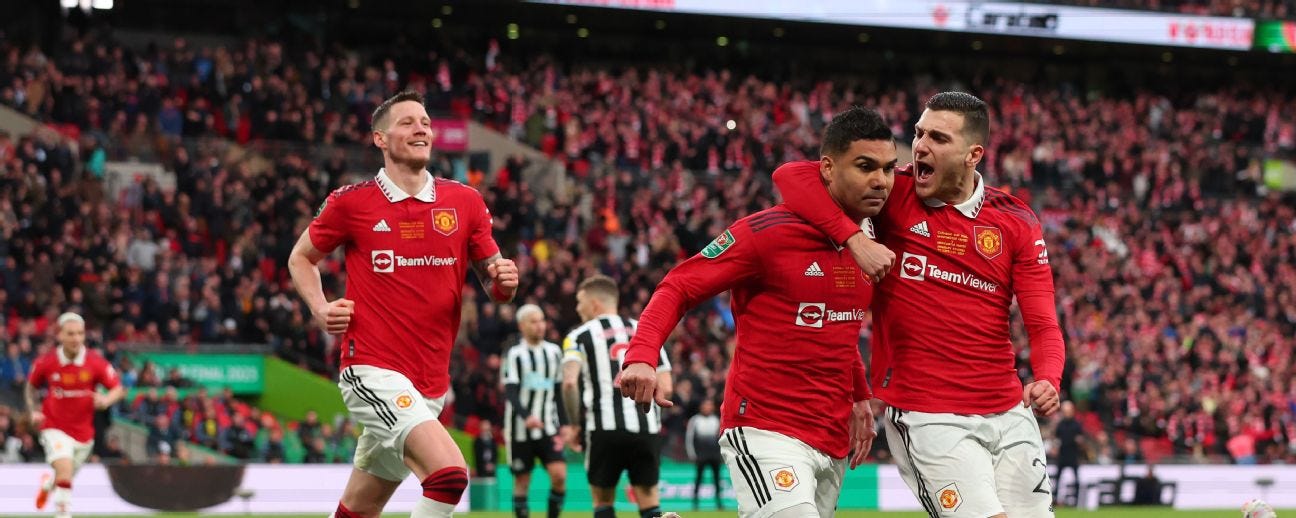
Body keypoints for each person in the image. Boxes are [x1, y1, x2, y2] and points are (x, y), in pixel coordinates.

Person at [771, 92, 1066, 517]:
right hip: (928, 413)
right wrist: (856, 240)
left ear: (973, 154)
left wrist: (1049, 377)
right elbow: (790, 176)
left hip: (1008, 410)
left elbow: (1043, 323)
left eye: (939, 138)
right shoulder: (895, 193)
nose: (920, 146)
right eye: (918, 133)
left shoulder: (1016, 220)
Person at [619, 106, 896, 518]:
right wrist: (641, 355)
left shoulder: (871, 241)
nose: (880, 181)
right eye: (865, 166)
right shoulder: (765, 234)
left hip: (831, 433)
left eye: (889, 169)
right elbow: (678, 285)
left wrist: (859, 397)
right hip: (765, 426)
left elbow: (840, 327)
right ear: (827, 168)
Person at [287, 90, 519, 518]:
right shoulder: (350, 202)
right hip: (371, 369)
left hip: (430, 383)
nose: (422, 129)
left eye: (426, 122)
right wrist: (320, 308)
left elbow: (495, 284)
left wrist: (505, 280)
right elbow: (301, 257)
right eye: (409, 121)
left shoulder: (464, 201)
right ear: (380, 138)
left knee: (361, 507)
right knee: (448, 475)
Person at [560, 275, 672, 518]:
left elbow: (569, 383)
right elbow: (667, 387)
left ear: (594, 304)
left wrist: (574, 425)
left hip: (603, 428)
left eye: (580, 302)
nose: (578, 309)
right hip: (645, 428)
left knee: (602, 500)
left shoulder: (578, 335)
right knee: (649, 501)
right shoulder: (646, 332)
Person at [26, 312, 125, 518]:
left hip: (83, 433)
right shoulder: (47, 361)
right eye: (70, 334)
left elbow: (117, 388)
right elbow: (30, 387)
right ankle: (63, 513)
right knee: (64, 465)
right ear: (60, 335)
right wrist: (33, 410)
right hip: (53, 425)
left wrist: (106, 400)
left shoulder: (95, 362)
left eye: (80, 334)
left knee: (65, 474)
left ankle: (47, 485)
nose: (76, 339)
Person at [502, 304, 569, 518]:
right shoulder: (515, 354)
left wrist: (565, 424)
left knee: (559, 476)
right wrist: (526, 416)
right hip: (520, 428)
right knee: (522, 480)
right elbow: (511, 391)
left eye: (542, 320)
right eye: (534, 321)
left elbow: (559, 392)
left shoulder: (554, 352)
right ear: (522, 326)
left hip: (549, 427)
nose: (540, 325)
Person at [685, 398, 722, 511]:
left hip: (714, 454)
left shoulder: (717, 419)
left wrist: (722, 453)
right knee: (698, 479)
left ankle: (719, 503)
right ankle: (695, 503)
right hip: (701, 455)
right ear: (701, 407)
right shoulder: (694, 420)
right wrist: (692, 454)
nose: (708, 407)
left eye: (710, 405)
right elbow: (689, 439)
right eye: (706, 405)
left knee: (716, 479)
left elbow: (721, 437)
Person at [1052, 401, 1084, 507]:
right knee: (1058, 478)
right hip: (1062, 455)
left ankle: (1076, 500)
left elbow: (1081, 439)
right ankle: (1055, 499)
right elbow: (1056, 439)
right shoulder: (1060, 425)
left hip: (1073, 454)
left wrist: (1080, 441)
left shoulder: (1077, 424)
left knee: (1076, 479)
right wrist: (1055, 448)